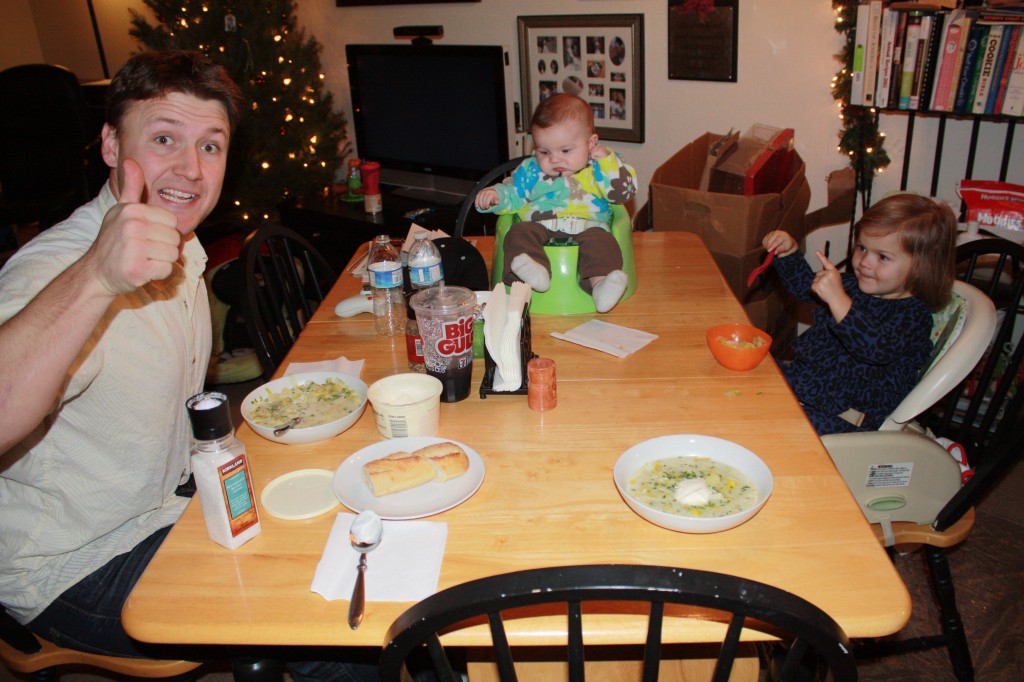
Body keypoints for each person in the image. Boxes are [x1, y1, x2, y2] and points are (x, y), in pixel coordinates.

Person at [0, 51, 377, 681]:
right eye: (164, 138)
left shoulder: (182, 245)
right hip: (72, 563)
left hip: (169, 505)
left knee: (355, 519)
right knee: (321, 614)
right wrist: (95, 276)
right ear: (111, 146)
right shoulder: (50, 271)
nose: (189, 169)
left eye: (211, 146)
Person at [762, 193, 957, 434]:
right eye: (862, 248)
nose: (865, 262)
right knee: (753, 372)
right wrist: (788, 253)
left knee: (765, 421)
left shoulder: (914, 316)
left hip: (845, 417)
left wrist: (838, 299)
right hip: (808, 387)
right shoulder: (853, 286)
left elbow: (874, 347)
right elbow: (804, 287)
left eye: (882, 257)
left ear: (922, 267)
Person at [475, 93, 638, 312]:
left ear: (590, 143)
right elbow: (514, 193)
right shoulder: (531, 171)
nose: (554, 159)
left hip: (589, 227)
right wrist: (496, 196)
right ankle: (535, 272)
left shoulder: (599, 168)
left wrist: (607, 161)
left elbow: (623, 193)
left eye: (565, 150)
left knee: (603, 243)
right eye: (544, 151)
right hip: (540, 228)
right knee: (517, 233)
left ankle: (600, 286)